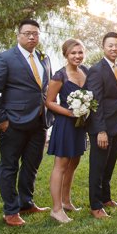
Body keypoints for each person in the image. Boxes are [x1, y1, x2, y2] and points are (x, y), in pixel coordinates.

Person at [0, 19, 53, 227]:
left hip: (39, 121)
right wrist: (1, 121)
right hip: (13, 123)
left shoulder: (44, 58)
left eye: (35, 34)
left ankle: (26, 202)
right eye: (27, 33)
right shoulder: (4, 59)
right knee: (9, 166)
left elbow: (44, 88)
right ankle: (11, 210)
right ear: (18, 35)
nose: (32, 37)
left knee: (32, 165)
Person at [85, 32, 117, 219]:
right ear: (103, 47)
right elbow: (96, 102)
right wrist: (100, 130)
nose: (114, 48)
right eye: (110, 45)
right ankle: (95, 206)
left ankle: (106, 198)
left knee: (109, 165)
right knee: (98, 166)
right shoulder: (97, 70)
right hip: (103, 127)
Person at [45, 39, 89, 223]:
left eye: (80, 52)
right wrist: (71, 113)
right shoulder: (59, 76)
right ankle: (56, 209)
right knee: (61, 166)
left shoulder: (85, 71)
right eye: (73, 53)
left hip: (80, 125)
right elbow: (49, 102)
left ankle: (66, 201)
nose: (77, 56)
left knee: (73, 164)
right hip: (65, 125)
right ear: (66, 55)